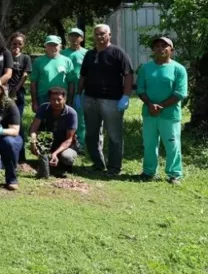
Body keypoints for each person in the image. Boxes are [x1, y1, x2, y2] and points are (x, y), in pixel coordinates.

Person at [78, 24, 133, 177]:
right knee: (91, 134)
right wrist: (78, 93)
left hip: (112, 101)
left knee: (114, 135)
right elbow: (83, 75)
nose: (99, 36)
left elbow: (128, 74)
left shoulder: (118, 53)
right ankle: (98, 164)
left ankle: (114, 168)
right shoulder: (89, 54)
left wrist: (126, 96)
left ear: (109, 35)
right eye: (96, 34)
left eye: (102, 34)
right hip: (90, 99)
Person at [136, 36, 188, 184]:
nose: (160, 48)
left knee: (172, 145)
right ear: (153, 50)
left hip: (170, 115)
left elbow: (180, 93)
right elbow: (140, 89)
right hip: (149, 113)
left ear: (171, 49)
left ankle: (174, 174)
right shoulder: (145, 68)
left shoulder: (179, 69)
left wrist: (161, 106)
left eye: (164, 46)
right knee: (149, 144)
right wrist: (150, 105)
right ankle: (148, 172)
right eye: (157, 46)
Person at [29, 87, 79, 177]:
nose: (56, 102)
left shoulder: (71, 113)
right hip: (49, 140)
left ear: (65, 99)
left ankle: (63, 166)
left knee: (66, 157)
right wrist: (33, 141)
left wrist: (55, 153)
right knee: (37, 147)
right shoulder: (43, 108)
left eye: (59, 100)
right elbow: (33, 128)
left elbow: (69, 140)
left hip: (67, 145)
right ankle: (46, 165)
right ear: (49, 99)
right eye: (53, 99)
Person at [31, 35, 76, 112]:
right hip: (43, 98)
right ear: (45, 46)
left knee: (61, 123)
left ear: (60, 46)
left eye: (55, 45)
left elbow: (71, 82)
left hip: (61, 98)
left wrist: (70, 101)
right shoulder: (38, 61)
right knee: (43, 123)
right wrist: (34, 102)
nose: (52, 47)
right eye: (49, 45)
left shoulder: (67, 61)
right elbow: (33, 83)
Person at [61, 28, 88, 149]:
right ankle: (66, 141)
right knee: (65, 115)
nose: (74, 38)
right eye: (71, 35)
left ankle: (80, 144)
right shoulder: (62, 53)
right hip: (65, 88)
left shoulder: (87, 53)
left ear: (81, 39)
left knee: (80, 117)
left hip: (81, 90)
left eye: (77, 36)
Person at [7, 32, 32, 116]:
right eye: (14, 43)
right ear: (11, 43)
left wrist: (16, 88)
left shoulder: (26, 58)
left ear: (23, 45)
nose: (17, 46)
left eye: (20, 44)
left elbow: (25, 75)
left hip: (18, 89)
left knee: (17, 114)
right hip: (5, 89)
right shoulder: (6, 55)